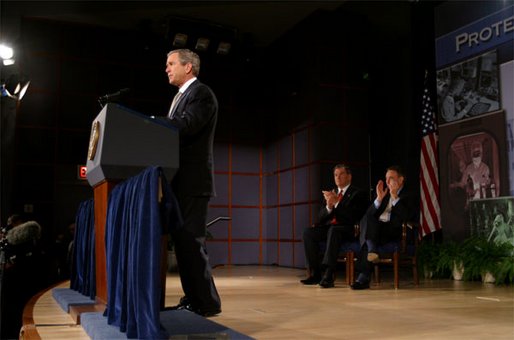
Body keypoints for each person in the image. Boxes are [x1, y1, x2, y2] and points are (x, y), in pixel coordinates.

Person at [164, 49, 221, 317]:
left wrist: (154, 126)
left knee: (191, 242)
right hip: (178, 182)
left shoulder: (201, 93)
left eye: (171, 63)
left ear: (188, 67)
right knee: (183, 243)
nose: (167, 68)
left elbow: (187, 126)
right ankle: (194, 298)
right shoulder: (180, 97)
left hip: (193, 182)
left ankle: (207, 302)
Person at [301, 164, 368, 288]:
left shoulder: (358, 193)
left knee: (333, 230)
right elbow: (320, 218)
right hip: (331, 228)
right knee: (308, 233)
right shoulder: (331, 193)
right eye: (336, 175)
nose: (338, 177)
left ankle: (328, 274)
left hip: (349, 229)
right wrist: (329, 206)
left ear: (349, 177)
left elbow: (353, 216)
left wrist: (337, 203)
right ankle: (315, 274)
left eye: (341, 174)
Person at [351, 165, 417, 290]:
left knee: (367, 238)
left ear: (401, 179)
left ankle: (364, 275)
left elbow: (408, 216)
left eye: (391, 178)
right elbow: (368, 216)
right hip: (378, 231)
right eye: (386, 178)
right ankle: (371, 253)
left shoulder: (409, 194)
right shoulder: (384, 194)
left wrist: (395, 198)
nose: (387, 182)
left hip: (394, 231)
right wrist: (379, 199)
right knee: (367, 217)